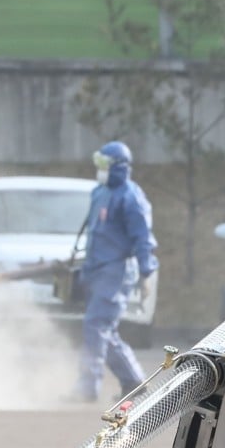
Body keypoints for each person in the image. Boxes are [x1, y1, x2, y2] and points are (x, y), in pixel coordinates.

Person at [66, 140, 158, 403]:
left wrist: (146, 272)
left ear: (119, 167)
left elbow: (142, 238)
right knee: (105, 329)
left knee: (95, 326)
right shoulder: (100, 192)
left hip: (116, 272)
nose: (99, 169)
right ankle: (133, 381)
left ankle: (88, 387)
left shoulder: (131, 198)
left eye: (104, 165)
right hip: (96, 270)